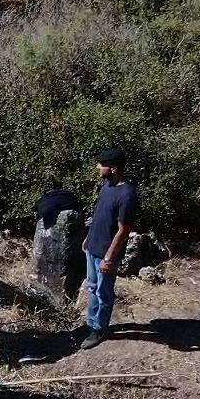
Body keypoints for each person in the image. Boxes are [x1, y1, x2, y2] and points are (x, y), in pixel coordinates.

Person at [81, 147, 139, 350]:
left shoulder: (127, 194)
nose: (98, 167)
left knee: (104, 292)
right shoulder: (106, 186)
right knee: (93, 288)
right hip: (92, 247)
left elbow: (123, 230)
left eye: (102, 164)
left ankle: (99, 329)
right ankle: (90, 323)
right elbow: (100, 217)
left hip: (106, 254)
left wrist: (109, 257)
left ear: (113, 168)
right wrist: (88, 240)